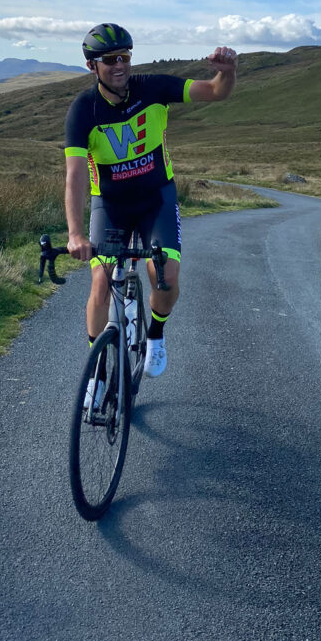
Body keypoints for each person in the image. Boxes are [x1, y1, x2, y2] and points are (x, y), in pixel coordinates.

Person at [64, 22, 238, 379]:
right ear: (91, 66)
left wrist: (228, 71)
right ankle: (96, 368)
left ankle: (156, 334)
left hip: (156, 200)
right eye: (109, 59)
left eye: (124, 56)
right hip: (109, 206)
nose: (119, 65)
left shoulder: (153, 88)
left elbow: (216, 92)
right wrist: (76, 233)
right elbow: (76, 175)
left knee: (165, 275)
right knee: (100, 281)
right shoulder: (84, 109)